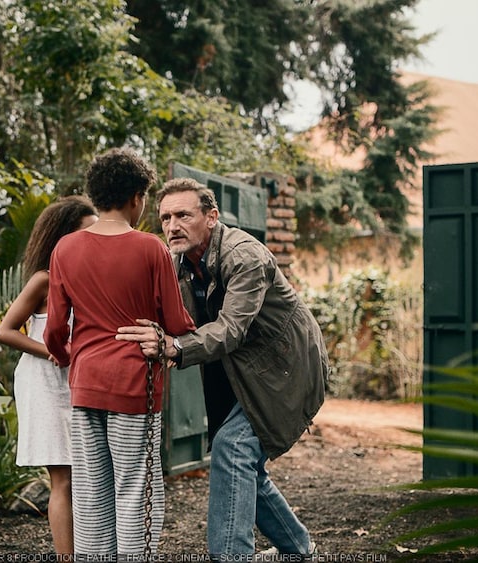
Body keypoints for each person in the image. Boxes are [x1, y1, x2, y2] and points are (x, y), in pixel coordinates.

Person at [115, 177, 329, 557]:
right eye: (165, 218)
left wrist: (174, 346)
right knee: (243, 461)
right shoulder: (179, 262)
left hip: (287, 369)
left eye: (183, 214)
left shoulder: (244, 256)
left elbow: (231, 328)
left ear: (211, 217)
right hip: (245, 372)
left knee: (234, 449)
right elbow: (172, 315)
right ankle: (299, 548)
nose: (172, 226)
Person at [44, 148, 196, 556]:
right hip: (134, 386)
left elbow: (56, 329)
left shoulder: (64, 250)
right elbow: (179, 324)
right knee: (136, 488)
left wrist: (65, 357)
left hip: (86, 386)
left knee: (92, 492)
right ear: (135, 198)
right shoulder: (151, 249)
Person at [0, 195, 98, 556]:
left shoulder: (92, 277)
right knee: (64, 480)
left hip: (80, 383)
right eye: (88, 231)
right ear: (63, 236)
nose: (96, 237)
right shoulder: (43, 279)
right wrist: (54, 351)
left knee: (88, 476)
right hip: (44, 384)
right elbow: (5, 331)